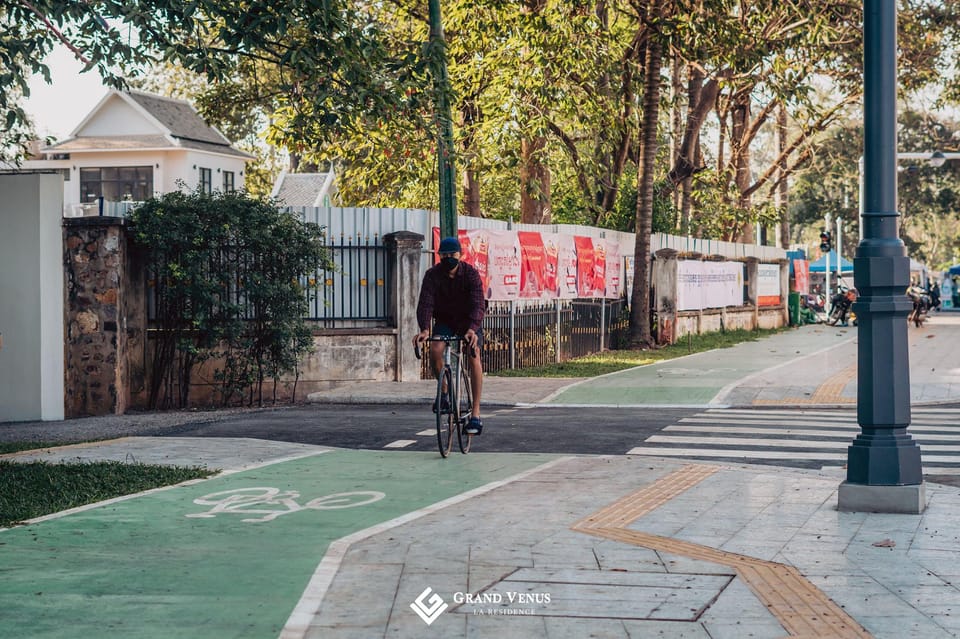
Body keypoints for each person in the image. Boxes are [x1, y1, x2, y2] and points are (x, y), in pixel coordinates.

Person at [412, 237, 486, 434]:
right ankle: (444, 390)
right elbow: (425, 303)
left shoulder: (470, 274)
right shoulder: (432, 275)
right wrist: (425, 329)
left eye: (452, 255)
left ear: (460, 255)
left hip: (468, 321)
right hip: (444, 321)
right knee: (435, 348)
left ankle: (476, 414)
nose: (447, 258)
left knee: (473, 354)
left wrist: (472, 329)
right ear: (439, 256)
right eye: (443, 255)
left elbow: (478, 304)